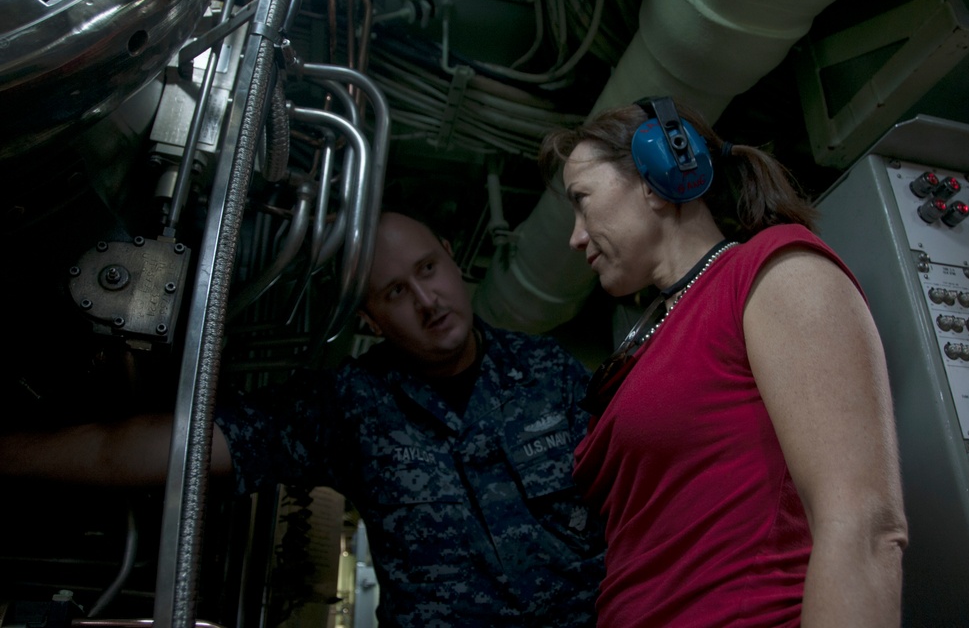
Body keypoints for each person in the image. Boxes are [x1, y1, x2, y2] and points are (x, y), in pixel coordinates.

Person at [0, 212, 605, 628]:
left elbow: (637, 495)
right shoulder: (350, 405)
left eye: (427, 269)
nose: (427, 301)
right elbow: (181, 445)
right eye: (394, 292)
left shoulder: (548, 370)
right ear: (369, 319)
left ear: (451, 257)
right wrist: (11, 453)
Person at [537, 97, 909, 628]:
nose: (575, 237)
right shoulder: (652, 339)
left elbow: (864, 527)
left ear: (656, 176)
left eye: (582, 199)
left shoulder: (774, 273)